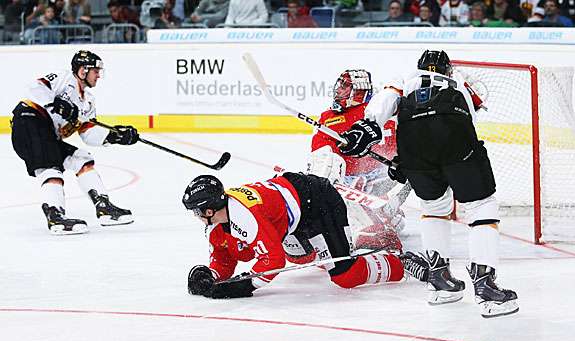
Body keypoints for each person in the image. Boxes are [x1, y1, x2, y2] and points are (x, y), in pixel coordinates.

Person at [336, 50, 518, 318]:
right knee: (481, 207)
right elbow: (471, 111)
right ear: (447, 69)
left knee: (434, 207)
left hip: (414, 146)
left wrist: (367, 127)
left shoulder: (406, 79)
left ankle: (440, 282)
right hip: (456, 138)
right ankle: (486, 287)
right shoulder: (459, 81)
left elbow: (383, 104)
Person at [183, 173, 429, 299]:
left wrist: (244, 286)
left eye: (196, 211)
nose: (195, 216)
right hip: (294, 213)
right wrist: (212, 275)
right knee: (302, 257)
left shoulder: (246, 216)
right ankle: (360, 243)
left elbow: (273, 262)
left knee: (345, 275)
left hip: (318, 202)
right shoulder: (217, 224)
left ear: (209, 209)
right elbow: (225, 257)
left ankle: (402, 263)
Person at [10, 50, 139, 235]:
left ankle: (104, 207)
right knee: (51, 166)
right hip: (28, 122)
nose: (98, 76)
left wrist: (115, 136)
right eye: (96, 71)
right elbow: (35, 87)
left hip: (46, 135)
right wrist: (55, 103)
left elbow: (88, 134)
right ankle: (55, 217)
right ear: (83, 70)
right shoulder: (64, 78)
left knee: (81, 158)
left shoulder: (88, 102)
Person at [308, 69, 405, 251]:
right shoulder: (385, 111)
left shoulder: (375, 113)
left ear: (357, 92)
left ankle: (376, 223)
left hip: (385, 180)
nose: (338, 90)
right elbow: (322, 156)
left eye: (345, 87)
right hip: (351, 182)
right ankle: (380, 218)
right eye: (340, 85)